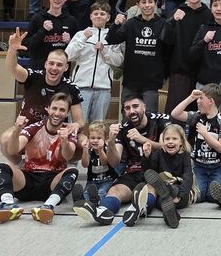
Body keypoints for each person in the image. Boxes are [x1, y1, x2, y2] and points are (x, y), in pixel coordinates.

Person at [72, 94, 171, 226]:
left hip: (155, 171)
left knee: (150, 188)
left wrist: (142, 139)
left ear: (144, 107)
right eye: (127, 108)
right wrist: (111, 142)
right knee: (115, 190)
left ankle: (137, 209)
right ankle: (102, 212)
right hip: (134, 172)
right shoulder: (123, 127)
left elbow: (167, 148)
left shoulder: (160, 120)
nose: (132, 111)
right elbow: (114, 162)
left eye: (135, 106)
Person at [0, 93, 79, 224]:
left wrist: (65, 141)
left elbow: (68, 156)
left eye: (62, 110)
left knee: (72, 171)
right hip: (28, 180)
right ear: (48, 109)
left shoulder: (68, 131)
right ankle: (8, 204)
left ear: (67, 113)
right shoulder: (34, 128)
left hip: (52, 182)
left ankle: (48, 206)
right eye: (54, 108)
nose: (57, 113)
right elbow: (12, 150)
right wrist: (17, 130)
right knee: (3, 167)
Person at [1, 29, 83, 160]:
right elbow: (13, 68)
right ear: (45, 64)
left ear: (66, 68)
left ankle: (65, 165)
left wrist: (76, 125)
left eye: (59, 65)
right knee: (5, 139)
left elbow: (80, 121)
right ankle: (20, 166)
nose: (54, 68)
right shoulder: (33, 77)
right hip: (27, 128)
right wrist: (12, 49)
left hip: (55, 131)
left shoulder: (71, 88)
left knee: (82, 142)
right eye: (51, 63)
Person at [106, 0, 167, 112]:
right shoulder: (131, 23)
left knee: (149, 117)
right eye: (143, 2)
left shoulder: (163, 24)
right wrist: (115, 24)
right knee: (128, 117)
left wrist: (163, 74)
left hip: (152, 82)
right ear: (138, 4)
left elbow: (168, 49)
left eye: (150, 2)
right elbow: (111, 39)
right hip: (131, 81)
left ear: (155, 4)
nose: (147, 5)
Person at [160, 0, 212, 114]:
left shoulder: (209, 15)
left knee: (201, 114)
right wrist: (172, 22)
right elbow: (165, 40)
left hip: (202, 73)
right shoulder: (176, 12)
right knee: (175, 113)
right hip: (179, 71)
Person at [170, 85, 221, 203]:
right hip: (199, 166)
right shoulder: (197, 116)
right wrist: (190, 97)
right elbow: (175, 113)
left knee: (213, 196)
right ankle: (174, 193)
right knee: (199, 194)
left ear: (211, 101)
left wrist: (205, 133)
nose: (198, 101)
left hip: (217, 167)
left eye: (201, 98)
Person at [65, 2, 123, 123]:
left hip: (103, 89)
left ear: (108, 17)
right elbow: (68, 56)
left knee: (98, 128)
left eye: (102, 14)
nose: (99, 16)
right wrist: (83, 38)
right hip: (81, 87)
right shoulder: (81, 34)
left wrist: (104, 50)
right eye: (96, 13)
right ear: (91, 16)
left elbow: (118, 61)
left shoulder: (113, 36)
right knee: (77, 125)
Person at [141, 125, 194, 228]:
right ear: (163, 141)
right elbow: (149, 173)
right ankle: (171, 215)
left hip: (180, 190)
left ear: (181, 142)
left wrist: (179, 196)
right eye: (167, 139)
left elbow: (188, 177)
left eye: (174, 139)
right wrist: (146, 156)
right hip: (162, 192)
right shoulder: (158, 154)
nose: (170, 141)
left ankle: (169, 200)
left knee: (172, 195)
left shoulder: (185, 155)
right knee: (162, 201)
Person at [22, 0, 78, 70]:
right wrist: (42, 31)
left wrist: (69, 41)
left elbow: (77, 50)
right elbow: (26, 46)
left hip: (60, 71)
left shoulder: (71, 21)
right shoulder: (38, 18)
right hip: (39, 68)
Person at [73, 121, 118, 204]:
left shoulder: (107, 148)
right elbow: (85, 164)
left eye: (99, 138)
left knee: (102, 191)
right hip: (92, 181)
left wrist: (100, 150)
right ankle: (81, 201)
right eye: (93, 138)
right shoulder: (89, 150)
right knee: (87, 192)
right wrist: (85, 150)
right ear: (88, 138)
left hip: (108, 179)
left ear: (105, 139)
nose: (95, 141)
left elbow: (105, 162)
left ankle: (96, 200)